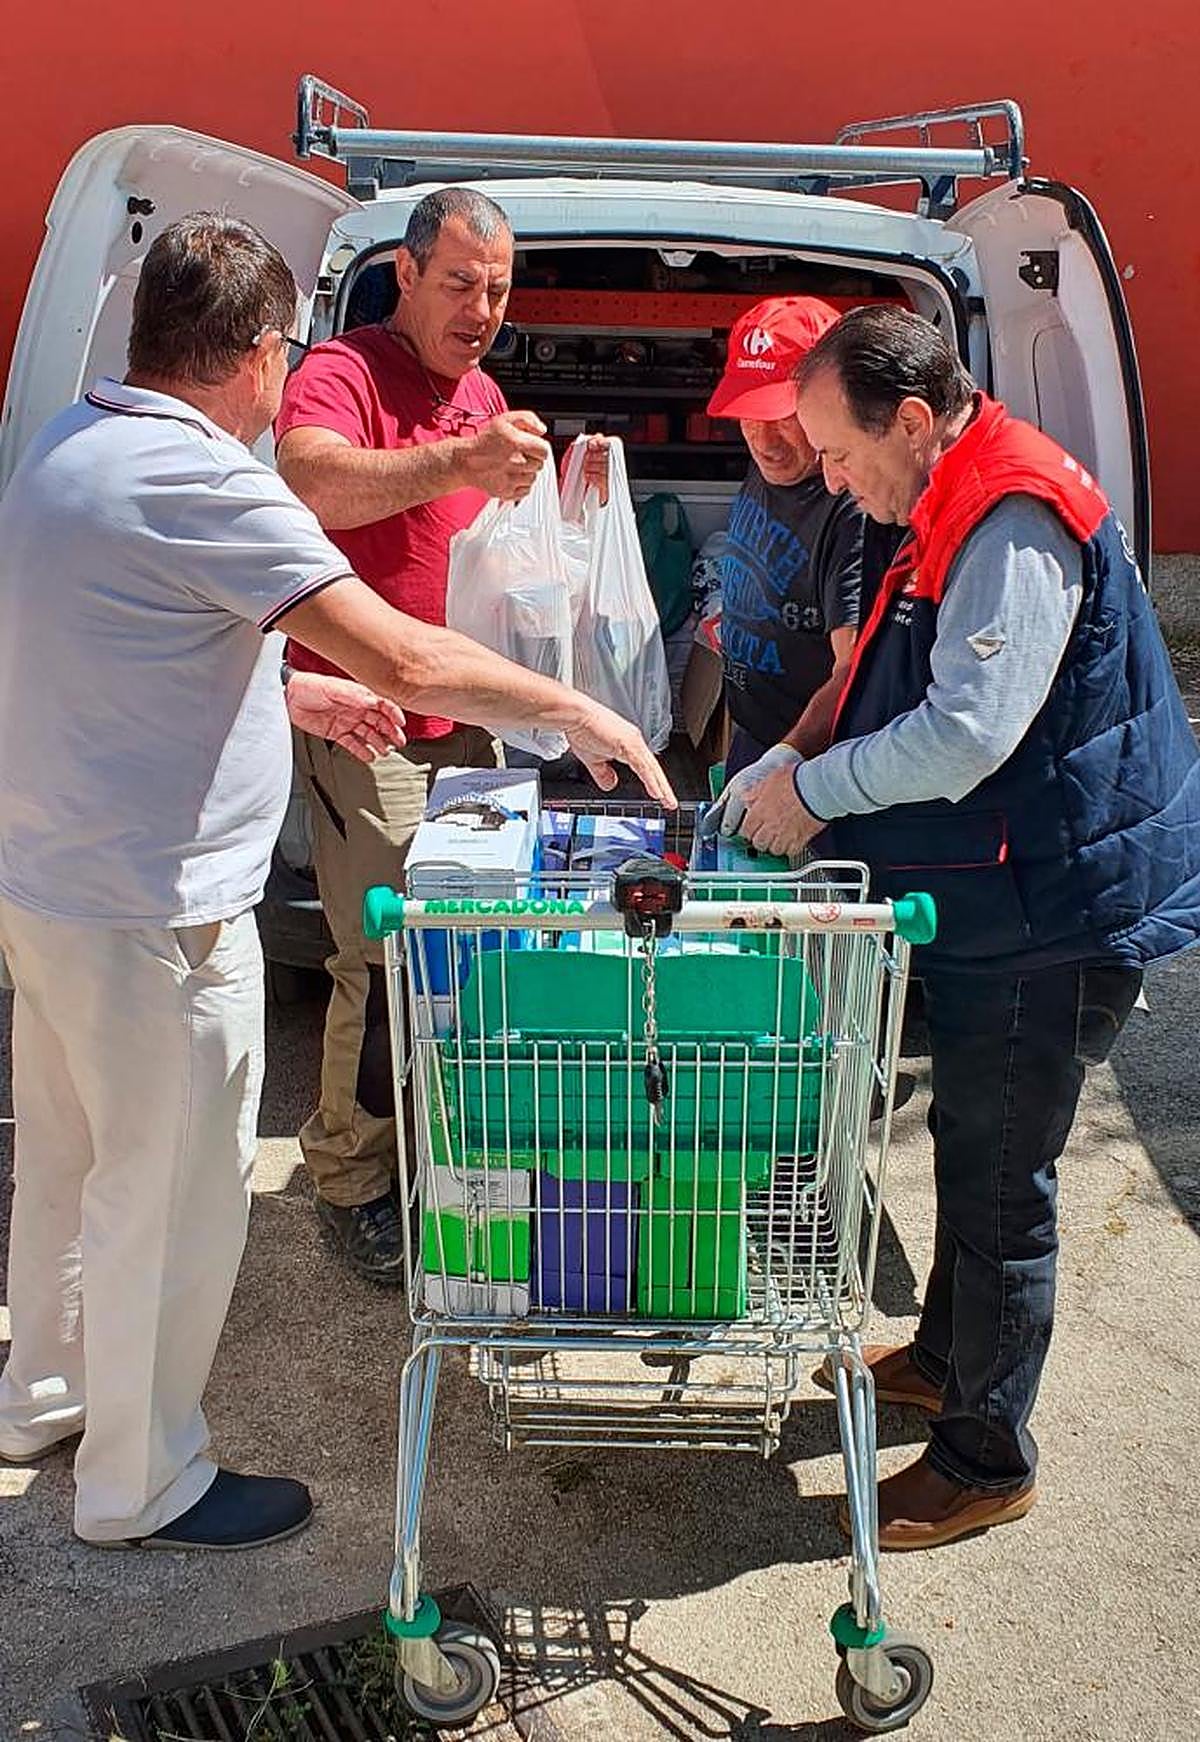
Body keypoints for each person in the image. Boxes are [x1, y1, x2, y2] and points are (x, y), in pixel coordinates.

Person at [0, 213, 673, 1552]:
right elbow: (415, 664)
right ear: (257, 356)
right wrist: (578, 711)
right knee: (174, 1186)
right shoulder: (212, 479)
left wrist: (290, 686)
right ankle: (144, 1479)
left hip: (52, 888)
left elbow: (138, 628)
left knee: (70, 1161)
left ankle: (45, 1395)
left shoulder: (71, 443)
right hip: (157, 916)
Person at [731, 305, 1200, 1548]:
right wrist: (787, 748)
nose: (830, 475)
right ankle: (944, 1357)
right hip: (998, 892)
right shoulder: (934, 497)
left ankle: (987, 1453)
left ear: (918, 420)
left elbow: (969, 728)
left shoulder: (1011, 513)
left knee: (1002, 1180)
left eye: (838, 450)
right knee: (968, 1133)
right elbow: (876, 661)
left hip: (1050, 907)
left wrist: (809, 795)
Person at [274, 187, 607, 1284]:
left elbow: (492, 551)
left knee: (463, 951)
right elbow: (309, 478)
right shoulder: (348, 369)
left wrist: (564, 497)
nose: (481, 308)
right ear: (406, 274)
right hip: (365, 715)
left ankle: (432, 1153)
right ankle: (350, 1178)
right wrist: (457, 462)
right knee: (381, 952)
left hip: (463, 725)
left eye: (499, 288)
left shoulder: (485, 393)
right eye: (460, 282)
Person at [700, 295, 886, 829]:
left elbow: (852, 674)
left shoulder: (851, 507)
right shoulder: (774, 465)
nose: (763, 440)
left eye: (781, 417)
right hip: (751, 738)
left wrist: (788, 765)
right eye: (747, 416)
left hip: (805, 773)